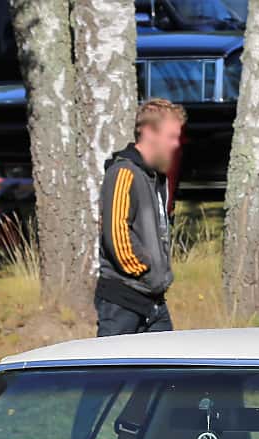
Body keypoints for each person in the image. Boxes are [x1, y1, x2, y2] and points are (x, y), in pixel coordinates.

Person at [95, 98, 186, 337]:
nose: (176, 144)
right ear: (148, 133)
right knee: (112, 363)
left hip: (154, 301)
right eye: (171, 137)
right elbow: (116, 234)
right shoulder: (123, 173)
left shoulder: (155, 177)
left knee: (167, 360)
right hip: (123, 303)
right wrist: (146, 270)